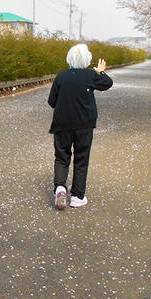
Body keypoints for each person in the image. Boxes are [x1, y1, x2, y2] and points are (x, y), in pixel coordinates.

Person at [48, 43, 113, 209]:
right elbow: (107, 83)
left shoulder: (61, 76)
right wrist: (100, 71)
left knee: (62, 157)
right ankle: (77, 195)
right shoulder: (90, 75)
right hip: (84, 124)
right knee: (81, 158)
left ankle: (60, 188)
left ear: (69, 59)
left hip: (62, 123)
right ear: (87, 60)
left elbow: (52, 102)